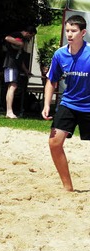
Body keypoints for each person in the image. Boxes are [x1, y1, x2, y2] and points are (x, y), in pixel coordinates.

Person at [41, 15, 90, 192]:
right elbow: (51, 81)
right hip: (69, 104)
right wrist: (47, 104)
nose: (69, 34)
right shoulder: (60, 54)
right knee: (54, 143)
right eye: (67, 30)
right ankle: (67, 188)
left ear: (83, 33)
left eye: (73, 31)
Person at [2, 26, 37, 118]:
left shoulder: (23, 42)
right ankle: (9, 112)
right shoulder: (18, 35)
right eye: (31, 36)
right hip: (10, 65)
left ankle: (9, 111)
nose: (30, 38)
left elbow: (20, 60)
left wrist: (26, 71)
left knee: (13, 87)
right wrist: (19, 43)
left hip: (16, 66)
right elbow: (7, 38)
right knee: (12, 86)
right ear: (28, 33)